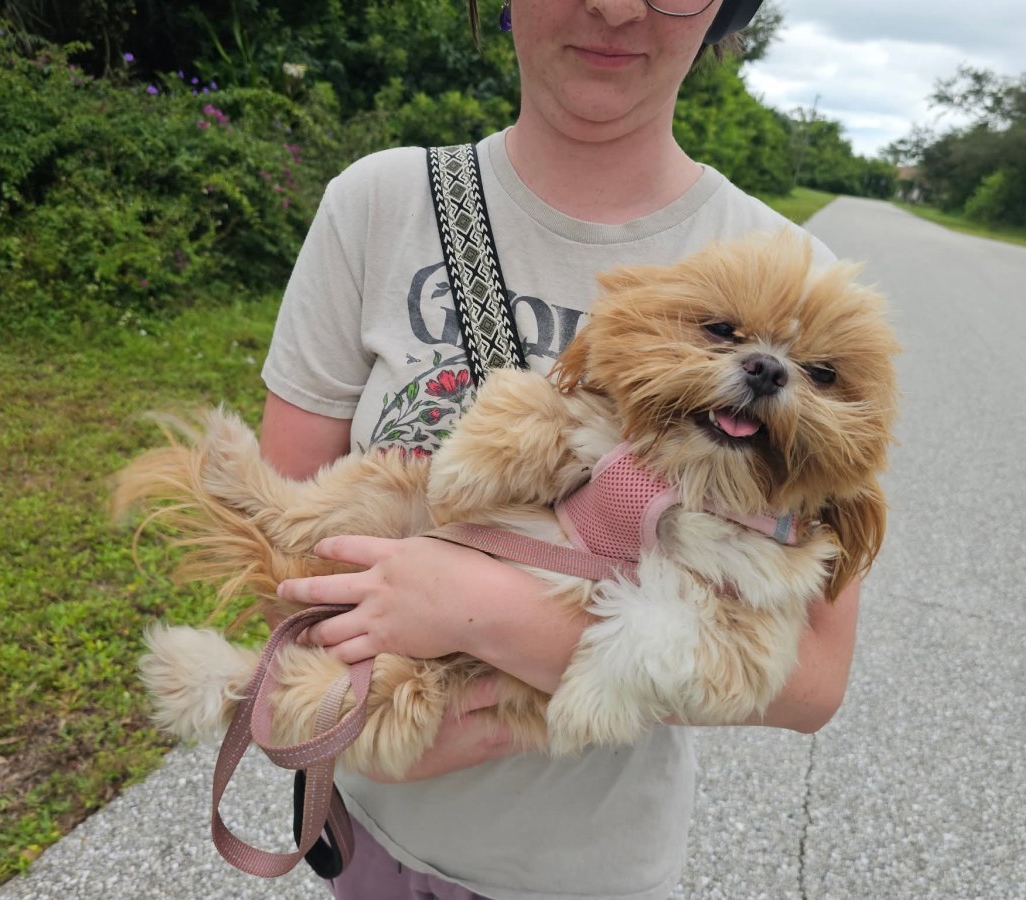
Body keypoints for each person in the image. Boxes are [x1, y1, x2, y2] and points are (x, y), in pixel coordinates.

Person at [257, 1, 860, 897]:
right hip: (374, 832)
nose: (617, 7)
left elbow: (812, 682)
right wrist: (302, 704)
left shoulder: (800, 281)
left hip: (593, 874)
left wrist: (492, 614)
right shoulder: (378, 207)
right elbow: (280, 530)